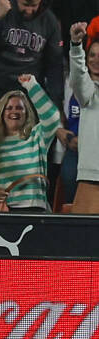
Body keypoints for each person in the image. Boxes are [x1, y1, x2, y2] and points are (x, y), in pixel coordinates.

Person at [0, 75, 61, 212]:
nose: (14, 111)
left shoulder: (37, 136)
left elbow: (53, 118)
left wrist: (31, 86)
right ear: (1, 113)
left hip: (34, 208)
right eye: (9, 108)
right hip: (2, 210)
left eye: (19, 108)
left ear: (27, 113)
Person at [67, 22, 99, 213]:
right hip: (93, 178)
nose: (96, 60)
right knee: (84, 240)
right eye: (92, 55)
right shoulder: (88, 91)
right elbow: (78, 77)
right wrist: (76, 46)